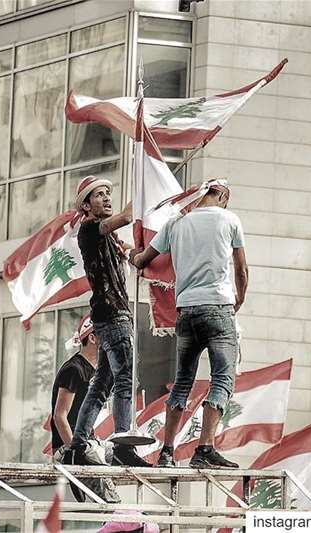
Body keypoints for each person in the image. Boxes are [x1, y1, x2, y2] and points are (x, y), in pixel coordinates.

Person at [130, 178, 248, 469]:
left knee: (183, 381)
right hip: (218, 307)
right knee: (223, 376)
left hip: (186, 311)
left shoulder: (175, 223)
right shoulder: (230, 220)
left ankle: (167, 452)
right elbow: (241, 269)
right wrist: (239, 300)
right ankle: (205, 448)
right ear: (220, 194)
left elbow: (143, 259)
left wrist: (130, 252)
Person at [65, 175, 151, 468]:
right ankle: (123, 444)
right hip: (113, 313)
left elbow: (135, 255)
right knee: (125, 376)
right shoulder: (90, 229)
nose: (106, 198)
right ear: (87, 205)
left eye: (107, 193)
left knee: (102, 382)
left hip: (107, 315)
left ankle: (78, 443)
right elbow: (126, 216)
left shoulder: (109, 239)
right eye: (99, 194)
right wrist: (145, 184)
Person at [50, 315, 97, 461]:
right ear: (92, 338)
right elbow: (59, 415)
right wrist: (75, 451)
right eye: (107, 333)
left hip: (85, 443)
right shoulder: (74, 369)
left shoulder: (97, 370)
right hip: (68, 446)